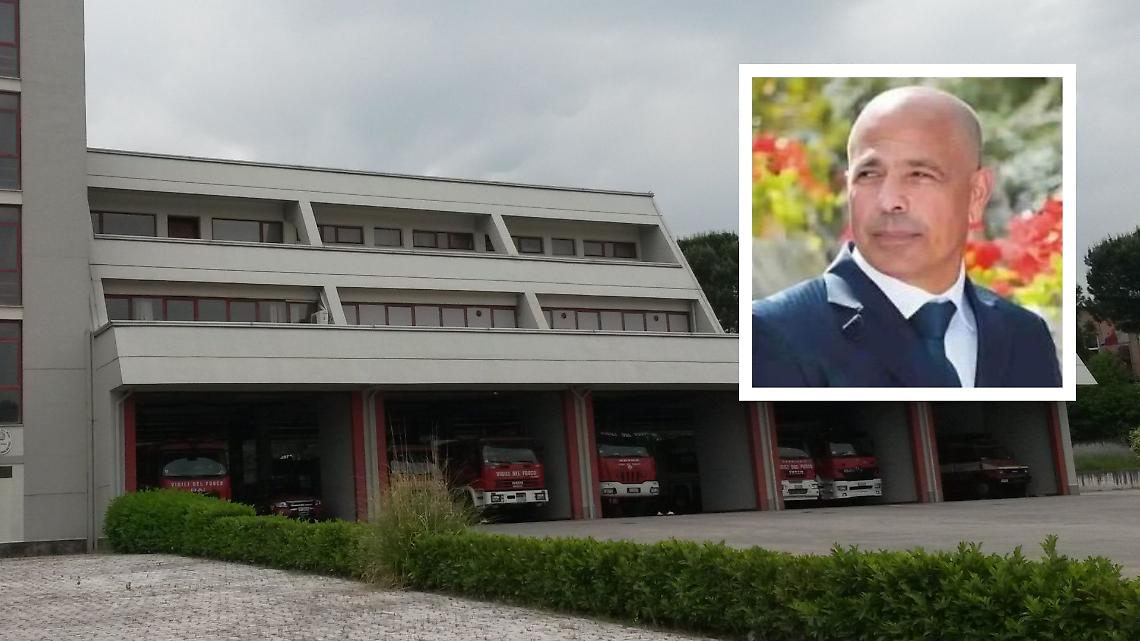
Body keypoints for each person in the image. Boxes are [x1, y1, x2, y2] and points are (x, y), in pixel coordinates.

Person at [751, 86, 1060, 388]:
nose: (889, 201)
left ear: (977, 194)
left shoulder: (1026, 337)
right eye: (868, 174)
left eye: (920, 175)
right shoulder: (776, 333)